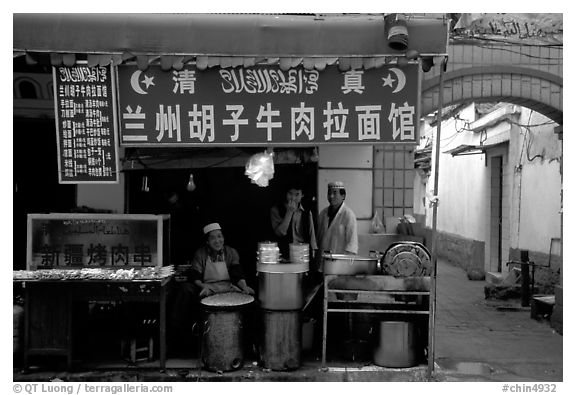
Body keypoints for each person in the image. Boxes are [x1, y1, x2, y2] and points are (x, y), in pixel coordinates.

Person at [190, 223, 254, 298]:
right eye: (212, 238)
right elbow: (195, 276)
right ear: (207, 242)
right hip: (208, 289)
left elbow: (237, 274)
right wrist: (203, 286)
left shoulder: (231, 252)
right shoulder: (200, 254)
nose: (217, 241)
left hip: (228, 288)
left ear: (223, 238)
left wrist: (244, 287)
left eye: (219, 236)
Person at [270, 182, 317, 260]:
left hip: (302, 254)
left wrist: (313, 250)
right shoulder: (276, 209)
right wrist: (289, 212)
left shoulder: (306, 211)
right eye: (290, 194)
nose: (293, 198)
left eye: (297, 194)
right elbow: (281, 232)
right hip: (284, 254)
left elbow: (311, 233)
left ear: (302, 195)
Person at [317, 181, 358, 270]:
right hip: (323, 263)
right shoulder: (323, 214)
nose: (331, 196)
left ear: (343, 196)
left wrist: (346, 267)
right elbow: (318, 239)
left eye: (335, 193)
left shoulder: (348, 215)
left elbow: (352, 245)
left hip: (340, 265)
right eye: (329, 193)